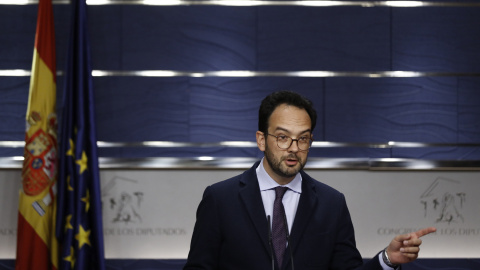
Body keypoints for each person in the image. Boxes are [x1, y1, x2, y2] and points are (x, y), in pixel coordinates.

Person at [184, 91, 436, 270]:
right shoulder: (220, 199)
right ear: (261, 140)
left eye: (303, 138)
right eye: (283, 137)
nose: (294, 148)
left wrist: (387, 260)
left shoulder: (331, 204)